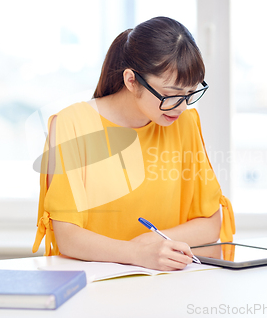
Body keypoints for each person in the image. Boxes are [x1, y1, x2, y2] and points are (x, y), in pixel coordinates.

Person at [32, 16, 235, 271]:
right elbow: (68, 236)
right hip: (95, 285)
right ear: (131, 80)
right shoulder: (72, 125)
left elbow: (210, 223)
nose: (182, 107)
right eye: (171, 95)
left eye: (189, 93)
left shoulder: (184, 122)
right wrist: (136, 252)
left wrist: (155, 243)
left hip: (171, 283)